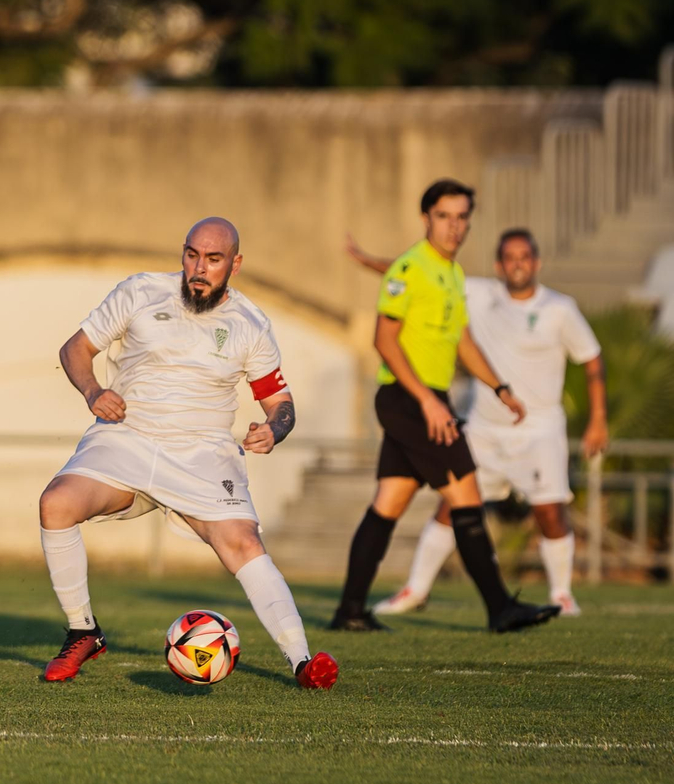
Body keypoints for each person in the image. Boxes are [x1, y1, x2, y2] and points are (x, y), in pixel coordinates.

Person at [36, 217, 338, 690]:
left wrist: (274, 431)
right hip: (127, 438)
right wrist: (94, 391)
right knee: (56, 504)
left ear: (235, 264)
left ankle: (303, 662)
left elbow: (281, 405)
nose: (199, 268)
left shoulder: (250, 324)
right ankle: (83, 631)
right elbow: (76, 349)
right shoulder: (140, 292)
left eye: (213, 259)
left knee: (243, 545)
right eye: (192, 254)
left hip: (204, 454)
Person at [331, 179, 560, 633]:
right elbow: (384, 340)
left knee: (388, 503)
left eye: (461, 217)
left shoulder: (452, 274)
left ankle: (350, 611)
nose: (454, 226)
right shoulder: (409, 268)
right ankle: (500, 609)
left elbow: (464, 342)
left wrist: (499, 387)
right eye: (444, 216)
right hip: (408, 397)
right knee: (466, 496)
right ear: (426, 219)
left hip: (423, 399)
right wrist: (429, 403)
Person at [344, 228, 607, 616]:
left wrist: (598, 418)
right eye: (509, 257)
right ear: (499, 264)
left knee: (549, 510)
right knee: (452, 505)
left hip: (539, 428)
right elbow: (410, 277)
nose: (517, 264)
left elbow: (591, 358)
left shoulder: (560, 308)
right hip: (483, 425)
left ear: (536, 262)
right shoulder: (478, 293)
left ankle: (561, 594)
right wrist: (367, 260)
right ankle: (416, 590)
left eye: (525, 257)